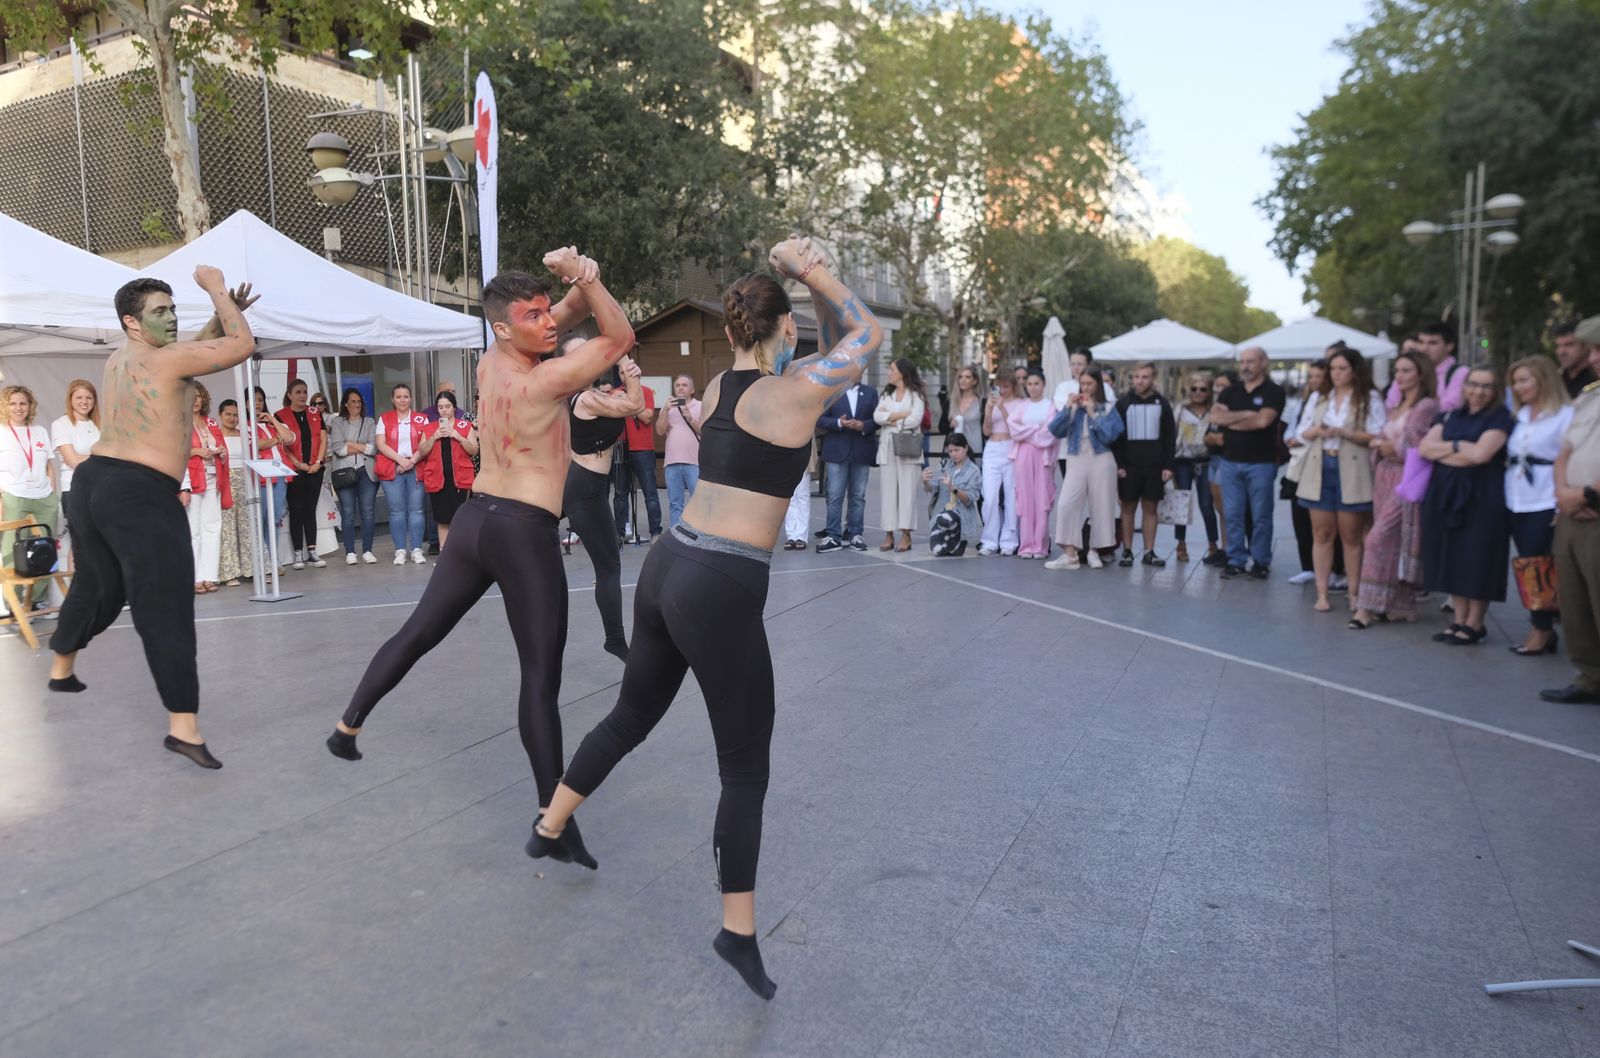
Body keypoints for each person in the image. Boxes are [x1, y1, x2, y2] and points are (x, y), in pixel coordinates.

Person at [530, 236, 883, 1001]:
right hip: (718, 584)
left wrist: (796, 291)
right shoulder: (798, 392)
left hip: (667, 564)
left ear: (729, 332)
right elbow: (866, 336)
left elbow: (820, 339)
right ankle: (737, 931)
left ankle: (550, 824)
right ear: (787, 331)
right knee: (745, 768)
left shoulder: (721, 387)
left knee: (630, 717)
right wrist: (810, 266)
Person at [329, 248, 633, 874]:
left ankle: (347, 727)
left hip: (473, 523)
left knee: (418, 632)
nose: (549, 323)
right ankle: (553, 819)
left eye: (549, 312)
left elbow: (561, 313)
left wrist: (574, 283)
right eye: (534, 316)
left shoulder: (492, 361)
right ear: (503, 325)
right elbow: (620, 335)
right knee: (538, 680)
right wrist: (591, 278)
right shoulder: (545, 379)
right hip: (522, 532)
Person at [49, 269, 256, 768]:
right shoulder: (166, 359)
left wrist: (214, 318)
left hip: (95, 484)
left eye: (173, 307)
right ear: (132, 322)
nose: (172, 316)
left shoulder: (120, 358)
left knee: (99, 588)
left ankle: (61, 667)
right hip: (138, 493)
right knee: (163, 606)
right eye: (160, 311)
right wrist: (218, 292)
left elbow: (189, 357)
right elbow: (241, 345)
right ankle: (183, 728)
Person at [1417, 367, 1514, 644]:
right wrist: (1462, 448)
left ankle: (1476, 622)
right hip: (1445, 493)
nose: (1478, 391)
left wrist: (1448, 447)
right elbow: (1426, 448)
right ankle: (1458, 619)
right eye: (1473, 384)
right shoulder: (1450, 415)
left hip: (1483, 494)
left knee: (1478, 555)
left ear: (1496, 391)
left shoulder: (1501, 417)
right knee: (1452, 553)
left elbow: (1483, 455)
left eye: (1486, 386)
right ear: (1464, 387)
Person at [564, 347, 645, 660]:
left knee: (609, 565)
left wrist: (626, 372)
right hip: (585, 488)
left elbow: (634, 407)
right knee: (609, 567)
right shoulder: (585, 399)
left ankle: (615, 638)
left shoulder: (594, 395)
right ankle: (615, 641)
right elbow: (634, 404)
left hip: (593, 487)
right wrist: (626, 363)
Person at [1351, 350, 1439, 629]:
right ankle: (1401, 605)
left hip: (1407, 478)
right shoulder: (1396, 404)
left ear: (1421, 374)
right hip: (1384, 475)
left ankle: (1365, 606)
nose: (1399, 376)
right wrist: (1382, 445)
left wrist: (1389, 446)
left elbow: (1415, 446)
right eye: (1397, 370)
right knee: (1392, 540)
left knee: (1377, 538)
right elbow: (1381, 439)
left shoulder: (1426, 406)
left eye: (1406, 371)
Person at [1296, 347, 1384, 614]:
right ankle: (1322, 593)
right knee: (1321, 533)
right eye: (1333, 369)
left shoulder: (1368, 398)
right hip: (1320, 464)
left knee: (1351, 535)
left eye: (1342, 368)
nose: (1336, 374)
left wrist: (1345, 432)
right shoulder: (1320, 397)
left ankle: (1354, 593)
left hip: (1352, 467)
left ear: (1355, 370)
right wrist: (1316, 431)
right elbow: (1301, 432)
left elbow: (1378, 434)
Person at [1542, 329, 1600, 704]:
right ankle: (1589, 676)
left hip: (1594, 509)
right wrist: (1565, 495)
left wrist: (1586, 494)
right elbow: (1563, 451)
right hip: (1573, 513)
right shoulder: (1589, 396)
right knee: (1575, 602)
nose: (1593, 357)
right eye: (1593, 350)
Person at [1503, 357, 1573, 655]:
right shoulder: (1518, 416)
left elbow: (1569, 457)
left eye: (1524, 380)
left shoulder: (1565, 415)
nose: (1518, 388)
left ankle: (1541, 629)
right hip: (1515, 496)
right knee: (1526, 564)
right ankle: (1541, 625)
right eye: (1516, 382)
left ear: (1543, 380)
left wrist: (1562, 499)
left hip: (1546, 497)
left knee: (1538, 565)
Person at [1210, 347, 1285, 579]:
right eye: (1242, 361)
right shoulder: (1230, 391)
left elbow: (1264, 421)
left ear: (1263, 363)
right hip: (1230, 461)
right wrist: (1249, 414)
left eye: (1250, 361)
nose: (1245, 366)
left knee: (1261, 515)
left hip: (1261, 463)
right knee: (1232, 513)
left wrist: (1232, 418)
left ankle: (1261, 561)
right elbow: (1215, 417)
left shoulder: (1274, 391)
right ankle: (1236, 560)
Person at [1044, 370, 1122, 571]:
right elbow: (1054, 430)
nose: (1085, 387)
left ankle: (1095, 550)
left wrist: (1093, 413)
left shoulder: (1107, 407)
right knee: (1066, 503)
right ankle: (1070, 554)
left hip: (1102, 458)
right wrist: (1068, 409)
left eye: (1090, 383)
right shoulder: (1073, 407)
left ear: (1098, 385)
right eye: (1083, 383)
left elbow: (1111, 435)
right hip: (1076, 457)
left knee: (1102, 505)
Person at [1111, 361, 1176, 567]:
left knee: (1150, 509)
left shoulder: (1162, 403)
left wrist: (1168, 465)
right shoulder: (1122, 403)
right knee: (1127, 508)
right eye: (1137, 376)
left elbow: (1169, 437)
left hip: (1154, 466)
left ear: (1152, 378)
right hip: (1129, 466)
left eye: (1145, 377)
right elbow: (1116, 437)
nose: (1140, 381)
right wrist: (1119, 464)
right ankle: (1128, 551)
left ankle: (1149, 552)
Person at [1, 384, 58, 614]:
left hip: (44, 496)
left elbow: (49, 466)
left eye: (22, 403)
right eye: (13, 403)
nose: (18, 407)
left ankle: (36, 599)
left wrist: (53, 493)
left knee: (45, 548)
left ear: (30, 405)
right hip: (14, 495)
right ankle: (12, 602)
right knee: (11, 548)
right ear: (5, 406)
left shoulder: (40, 431)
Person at [1285, 360, 1339, 586]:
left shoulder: (1336, 400)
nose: (1314, 381)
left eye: (1319, 376)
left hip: (1322, 461)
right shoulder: (1310, 399)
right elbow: (1299, 429)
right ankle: (1309, 566)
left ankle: (1336, 569)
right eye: (1311, 376)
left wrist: (1308, 433)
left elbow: (1319, 430)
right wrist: (1298, 436)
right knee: (1301, 515)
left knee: (1328, 521)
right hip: (1302, 461)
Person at [815, 376, 878, 553]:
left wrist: (863, 425)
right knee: (834, 495)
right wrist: (838, 423)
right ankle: (833, 535)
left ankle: (855, 534)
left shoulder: (871, 392)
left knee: (858, 496)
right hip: (837, 451)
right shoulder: (832, 391)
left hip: (861, 450)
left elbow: (878, 420)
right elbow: (820, 418)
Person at [183, 383, 231, 594]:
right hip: (192, 481)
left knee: (213, 528)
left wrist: (220, 451)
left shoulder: (210, 422)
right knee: (193, 531)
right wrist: (197, 451)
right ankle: (194, 578)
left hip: (213, 479)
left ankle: (210, 576)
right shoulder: (179, 422)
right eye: (190, 396)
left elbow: (223, 449)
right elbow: (174, 451)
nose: (195, 400)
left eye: (198, 396)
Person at [874, 358, 926, 552]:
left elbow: (915, 419)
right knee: (888, 493)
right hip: (887, 449)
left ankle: (906, 535)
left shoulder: (915, 396)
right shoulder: (887, 395)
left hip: (908, 449)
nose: (889, 372)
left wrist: (891, 419)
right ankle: (888, 535)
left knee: (907, 493)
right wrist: (898, 415)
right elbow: (877, 417)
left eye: (892, 369)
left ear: (902, 372)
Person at [374, 383, 429, 565]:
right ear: (392, 399)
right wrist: (401, 460)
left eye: (406, 396)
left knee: (417, 510)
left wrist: (411, 461)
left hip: (416, 466)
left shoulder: (422, 418)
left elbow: (426, 444)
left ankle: (416, 549)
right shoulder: (384, 419)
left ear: (411, 398)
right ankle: (399, 550)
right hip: (392, 468)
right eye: (398, 397)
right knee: (397, 512)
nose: (402, 400)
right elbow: (381, 444)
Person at [275, 378, 327, 569]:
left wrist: (318, 462)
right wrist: (298, 463)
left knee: (310, 510)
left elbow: (323, 438)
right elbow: (282, 443)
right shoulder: (280, 415)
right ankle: (298, 553)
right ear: (289, 395)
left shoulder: (314, 412)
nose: (302, 396)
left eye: (305, 392)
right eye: (298, 392)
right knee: (296, 511)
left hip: (315, 468)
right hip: (294, 470)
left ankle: (312, 551)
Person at [416, 390, 479, 549]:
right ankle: (445, 555)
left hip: (461, 480)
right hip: (438, 479)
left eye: (447, 406)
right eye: (441, 407)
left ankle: (460, 554)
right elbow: (422, 451)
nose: (444, 410)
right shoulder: (429, 427)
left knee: (460, 519)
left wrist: (458, 436)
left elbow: (474, 450)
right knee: (442, 519)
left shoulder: (464, 425)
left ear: (454, 408)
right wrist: (434, 436)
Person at [1007, 370, 1057, 559]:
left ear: (1043, 385)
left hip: (1043, 456)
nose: (1033, 387)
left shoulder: (1050, 406)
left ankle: (1041, 544)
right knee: (1024, 497)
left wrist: (1026, 432)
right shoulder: (1021, 406)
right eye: (1029, 384)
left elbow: (1049, 433)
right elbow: (1013, 429)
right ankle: (1026, 544)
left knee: (1042, 497)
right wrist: (1034, 429)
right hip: (1023, 454)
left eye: (1036, 383)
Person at [50, 379, 100, 569]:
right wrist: (102, 458)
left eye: (89, 397)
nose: (84, 401)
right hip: (75, 489)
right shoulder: (61, 424)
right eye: (79, 397)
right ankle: (76, 590)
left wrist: (89, 458)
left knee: (100, 542)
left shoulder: (100, 425)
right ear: (70, 399)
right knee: (81, 542)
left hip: (100, 490)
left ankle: (100, 591)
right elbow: (72, 460)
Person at [328, 388, 379, 564]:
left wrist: (349, 443)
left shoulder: (370, 422)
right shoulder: (337, 422)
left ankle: (367, 550)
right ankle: (350, 551)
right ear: (345, 404)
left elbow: (373, 449)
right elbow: (338, 449)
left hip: (367, 471)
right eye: (353, 402)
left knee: (368, 513)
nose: (356, 405)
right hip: (344, 471)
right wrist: (361, 445)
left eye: (359, 402)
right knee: (348, 513)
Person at [1172, 370, 1219, 563]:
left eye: (1203, 389)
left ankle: (1213, 544)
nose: (1198, 392)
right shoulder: (1180, 410)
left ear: (1209, 391)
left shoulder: (1215, 411)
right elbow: (1171, 437)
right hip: (1182, 461)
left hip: (1205, 461)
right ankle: (1180, 544)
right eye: (1194, 388)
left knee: (1207, 505)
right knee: (1182, 503)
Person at [1051, 347, 1116, 475]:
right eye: (1073, 364)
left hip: (1099, 451)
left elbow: (1109, 413)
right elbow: (1063, 416)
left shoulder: (1105, 388)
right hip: (1069, 451)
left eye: (1080, 364)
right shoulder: (1063, 387)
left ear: (1089, 365)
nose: (1076, 368)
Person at [250, 385, 294, 573]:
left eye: (260, 400)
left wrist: (272, 420)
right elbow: (256, 445)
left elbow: (289, 438)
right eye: (252, 400)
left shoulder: (273, 422)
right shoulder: (242, 425)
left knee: (274, 518)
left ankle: (273, 560)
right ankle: (262, 561)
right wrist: (276, 440)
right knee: (259, 519)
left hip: (278, 475)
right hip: (257, 476)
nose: (257, 403)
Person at [613, 381, 662, 543]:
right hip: (621, 446)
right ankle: (619, 533)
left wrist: (628, 400)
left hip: (642, 448)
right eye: (621, 372)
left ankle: (656, 531)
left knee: (650, 493)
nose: (624, 376)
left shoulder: (646, 391)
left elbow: (647, 417)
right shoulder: (615, 393)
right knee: (620, 494)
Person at [977, 375, 1020, 556]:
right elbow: (986, 431)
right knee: (990, 496)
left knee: (1011, 496)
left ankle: (1009, 541)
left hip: (1010, 447)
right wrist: (988, 409)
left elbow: (1016, 430)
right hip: (992, 448)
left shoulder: (1019, 404)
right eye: (998, 387)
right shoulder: (990, 403)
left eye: (1006, 386)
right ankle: (989, 540)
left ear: (1013, 386)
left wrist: (1002, 407)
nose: (1001, 391)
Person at [922, 431, 981, 554]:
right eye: (950, 451)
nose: (953, 454)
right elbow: (932, 489)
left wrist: (952, 488)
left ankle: (959, 538)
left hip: (960, 515)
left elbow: (969, 499)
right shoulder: (944, 465)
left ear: (966, 448)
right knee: (937, 551)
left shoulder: (974, 471)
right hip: (940, 513)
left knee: (945, 518)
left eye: (957, 450)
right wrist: (925, 481)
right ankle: (953, 541)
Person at [658, 373, 703, 529]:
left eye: (684, 385)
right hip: (672, 462)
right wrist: (664, 410)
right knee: (675, 503)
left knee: (697, 502)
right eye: (677, 385)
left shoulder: (700, 406)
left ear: (692, 389)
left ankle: (698, 534)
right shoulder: (668, 408)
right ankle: (676, 537)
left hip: (694, 462)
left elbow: (704, 432)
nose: (681, 388)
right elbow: (659, 430)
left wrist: (690, 418)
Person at [1388, 321, 1465, 412]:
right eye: (1421, 342)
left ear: (1449, 346)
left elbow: (1451, 406)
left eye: (1432, 343)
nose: (1424, 348)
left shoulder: (1460, 373)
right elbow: (1391, 405)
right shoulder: (1407, 370)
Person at [215, 399, 252, 586]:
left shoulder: (245, 434)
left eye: (236, 414)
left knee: (247, 525)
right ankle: (229, 573)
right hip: (226, 481)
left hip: (245, 481)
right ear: (220, 415)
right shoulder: (215, 436)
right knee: (227, 527)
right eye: (228, 414)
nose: (232, 418)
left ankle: (253, 569)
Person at [1202, 371, 1236, 566]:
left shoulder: (1233, 410)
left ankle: (1232, 549)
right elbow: (1208, 437)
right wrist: (1214, 439)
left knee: (1227, 507)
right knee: (1220, 508)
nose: (1218, 390)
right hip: (1213, 459)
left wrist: (1215, 439)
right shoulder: (1216, 410)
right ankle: (1224, 548)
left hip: (1226, 460)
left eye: (1223, 386)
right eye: (1217, 386)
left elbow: (1225, 439)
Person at [1552, 321, 1597, 399]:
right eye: (1558, 346)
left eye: (1569, 345)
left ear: (1585, 346)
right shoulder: (1556, 380)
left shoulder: (1595, 377)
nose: (1561, 352)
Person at [948, 365, 985, 458]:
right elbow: (942, 426)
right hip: (954, 448)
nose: (963, 380)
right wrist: (950, 424)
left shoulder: (982, 402)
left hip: (974, 447)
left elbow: (986, 428)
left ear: (974, 381)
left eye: (967, 377)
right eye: (960, 377)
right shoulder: (951, 401)